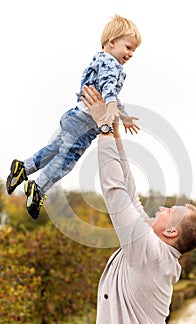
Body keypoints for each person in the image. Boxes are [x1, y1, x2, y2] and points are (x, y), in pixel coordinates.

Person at [81, 85, 196, 324]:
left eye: (169, 212)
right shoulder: (153, 250)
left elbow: (115, 192)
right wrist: (115, 135)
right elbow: (129, 193)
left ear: (171, 232)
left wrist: (103, 128)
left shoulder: (149, 252)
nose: (161, 209)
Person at [6, 15, 141, 219]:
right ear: (112, 42)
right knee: (67, 158)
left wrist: (122, 115)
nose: (131, 54)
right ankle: (38, 188)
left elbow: (107, 92)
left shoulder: (100, 61)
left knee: (56, 148)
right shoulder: (111, 65)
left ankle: (23, 167)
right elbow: (108, 86)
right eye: (129, 47)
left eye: (134, 50)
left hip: (76, 116)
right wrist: (112, 104)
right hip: (85, 122)